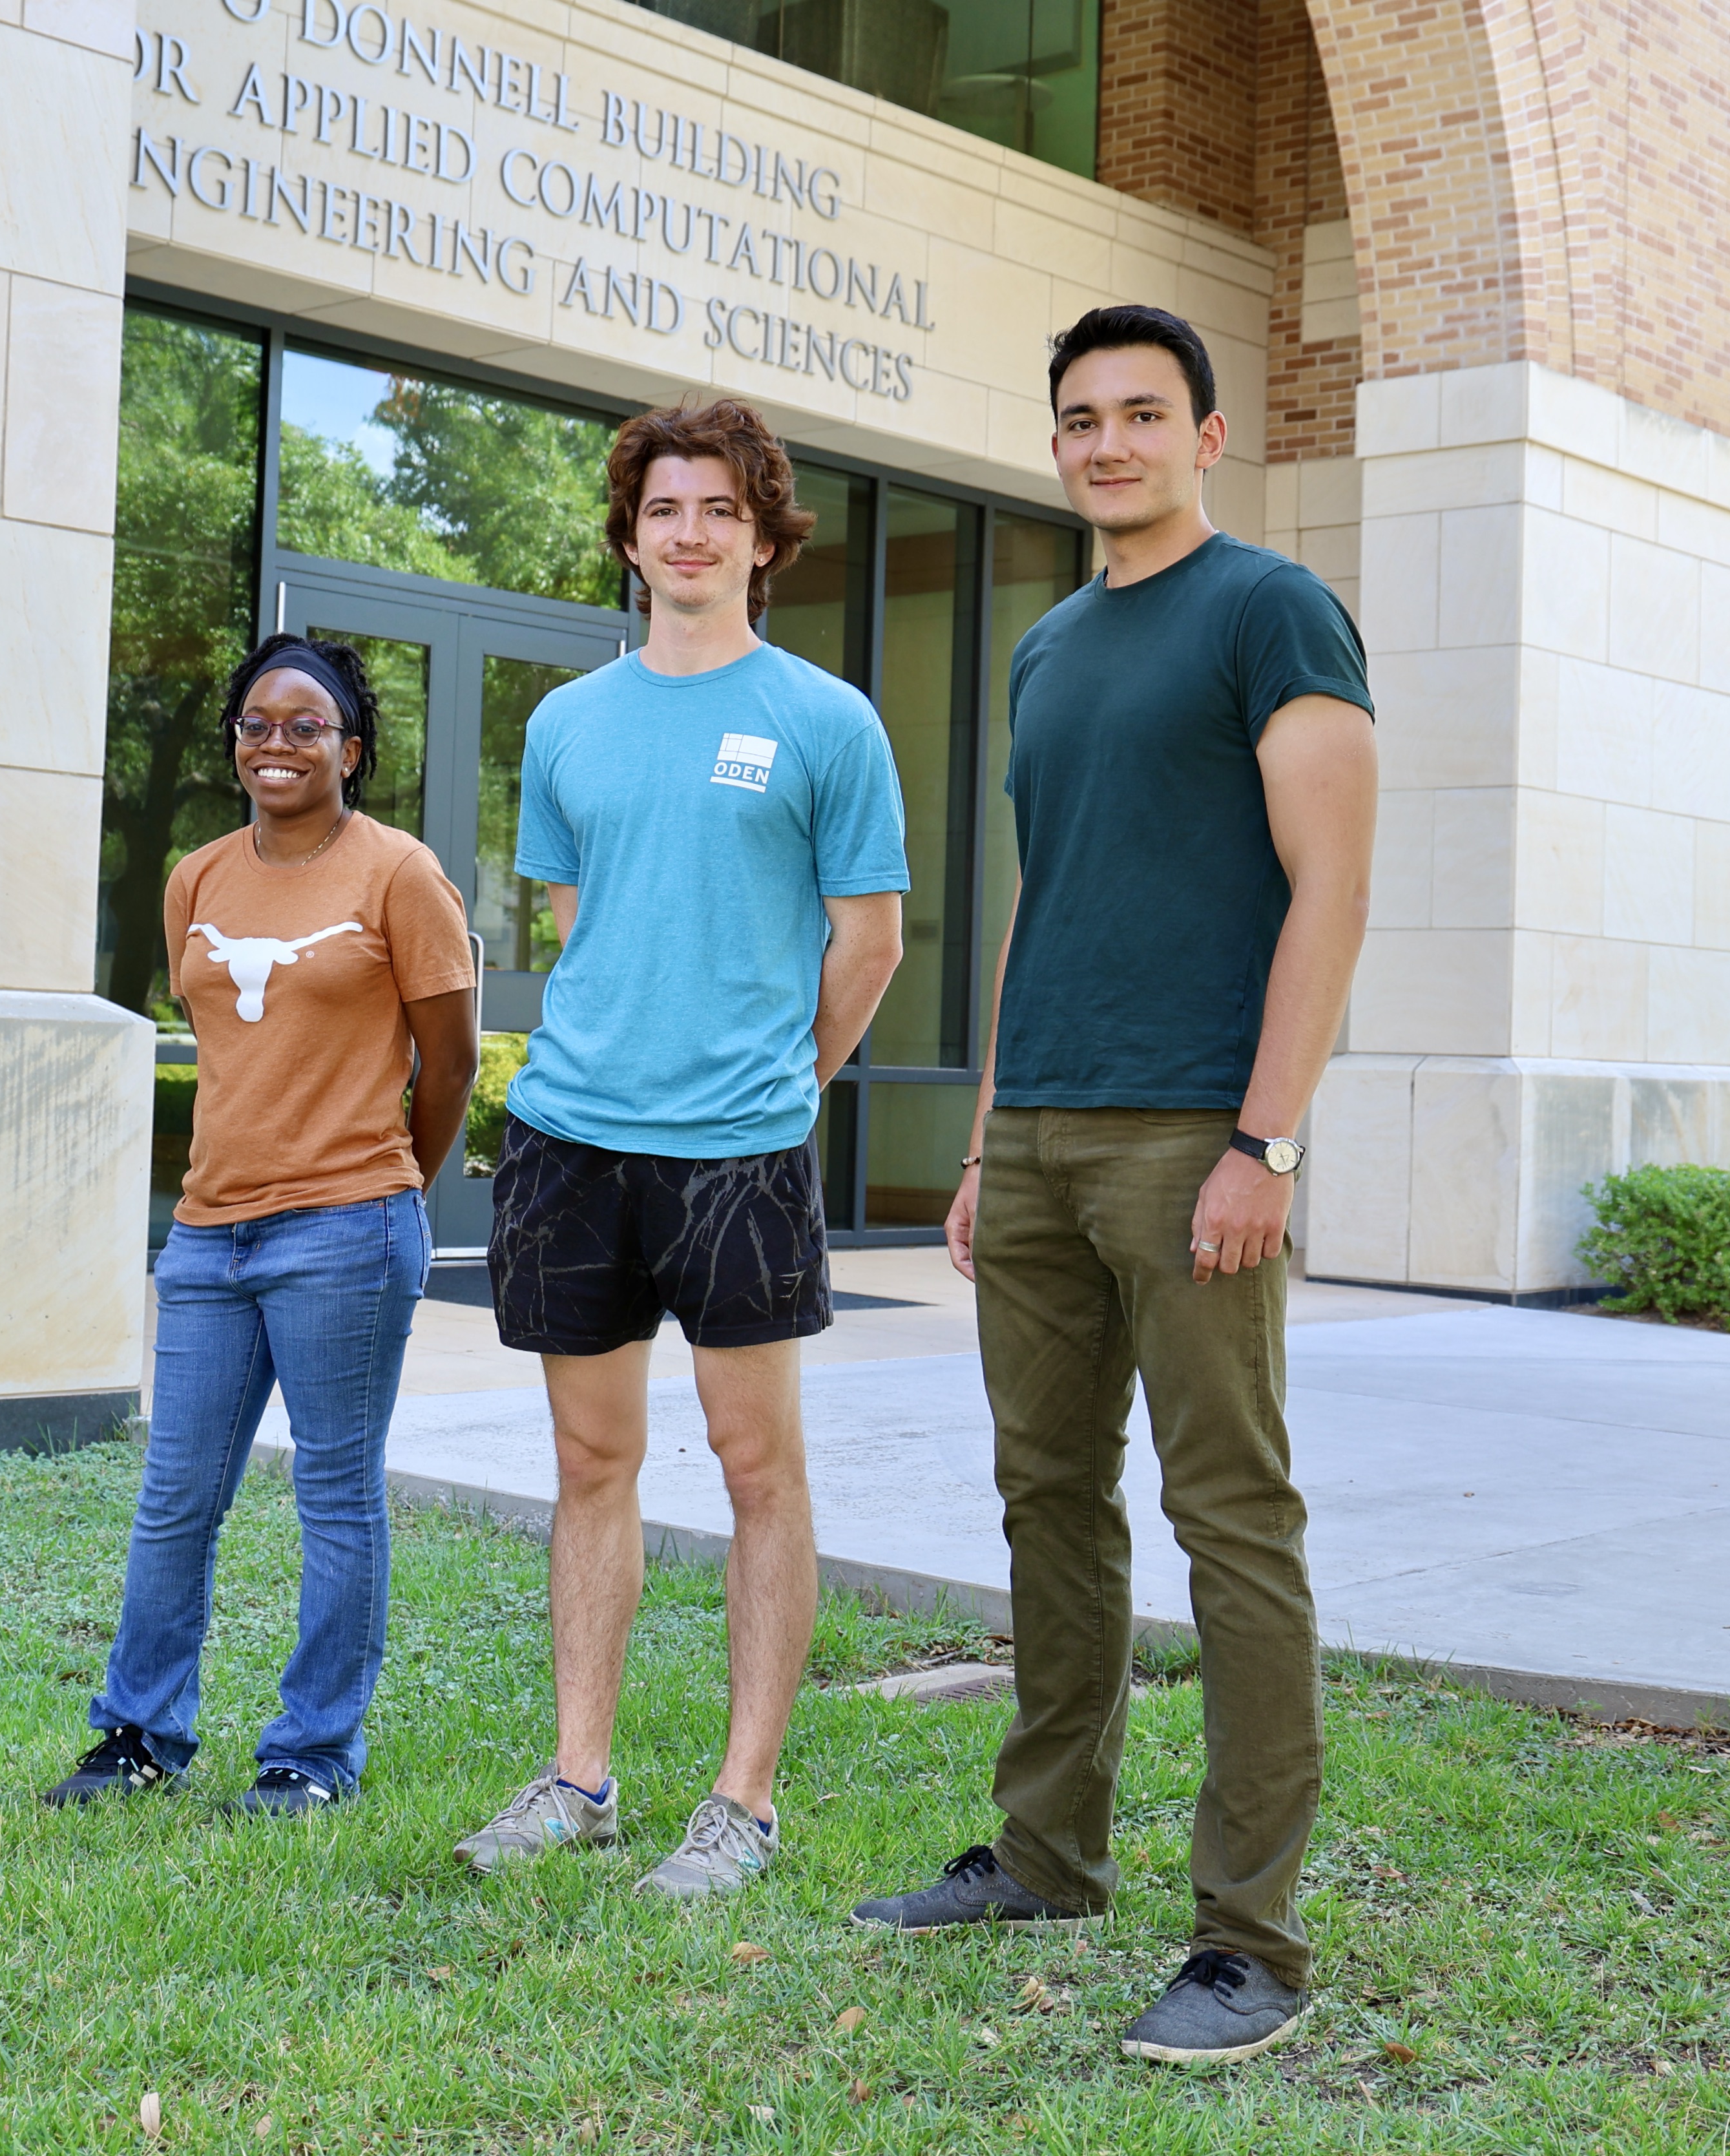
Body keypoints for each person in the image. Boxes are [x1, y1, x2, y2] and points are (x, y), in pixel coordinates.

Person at [848, 306, 1377, 2067]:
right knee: (1045, 1502)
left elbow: (1329, 887)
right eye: (1076, 418)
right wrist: (989, 1136)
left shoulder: (1268, 612)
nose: (1103, 444)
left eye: (1139, 414)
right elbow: (1038, 900)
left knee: (1231, 1519)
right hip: (1049, 1139)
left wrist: (1262, 1139)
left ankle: (1250, 1944)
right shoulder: (1048, 647)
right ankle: (1046, 1857)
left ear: (1204, 437)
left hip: (1185, 1136)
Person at [452, 401, 908, 1898]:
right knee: (592, 1457)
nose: (691, 531)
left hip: (740, 1153)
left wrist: (792, 1076)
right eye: (665, 508)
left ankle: (743, 1802)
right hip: (572, 1140)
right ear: (632, 534)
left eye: (720, 507)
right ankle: (579, 1776)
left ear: (765, 537)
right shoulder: (567, 721)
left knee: (754, 1464)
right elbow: (582, 925)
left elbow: (869, 939)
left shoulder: (824, 720)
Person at [45, 633, 478, 1816]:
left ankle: (311, 1752)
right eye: (255, 724)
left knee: (334, 1495)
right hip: (206, 1237)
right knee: (175, 1493)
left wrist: (391, 1184)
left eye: (304, 724)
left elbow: (450, 1063)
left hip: (343, 1226)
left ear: (352, 746)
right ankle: (137, 1733)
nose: (276, 743)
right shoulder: (197, 877)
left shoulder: (399, 875)